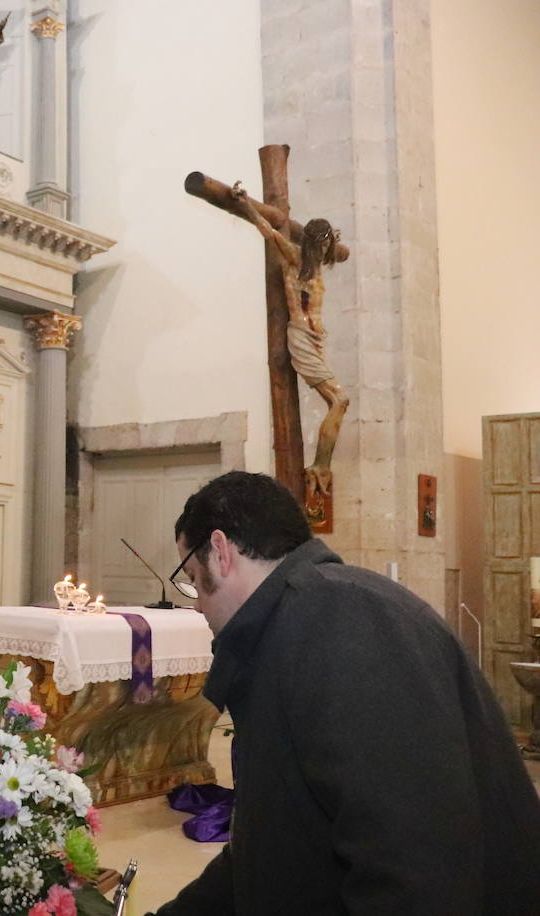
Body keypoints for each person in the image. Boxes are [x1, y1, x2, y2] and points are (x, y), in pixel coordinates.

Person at [155, 471, 540, 915]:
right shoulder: (294, 625)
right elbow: (274, 842)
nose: (196, 603)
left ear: (220, 552)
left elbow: (413, 866)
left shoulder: (346, 624)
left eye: (191, 577)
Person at [230, 180, 349, 508]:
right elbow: (269, 230)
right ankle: (321, 464)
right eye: (323, 244)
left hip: (316, 339)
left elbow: (340, 256)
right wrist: (245, 203)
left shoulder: (317, 268)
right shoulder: (294, 258)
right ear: (313, 242)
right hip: (299, 336)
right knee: (340, 400)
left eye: (330, 244)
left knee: (340, 401)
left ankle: (322, 464)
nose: (327, 250)